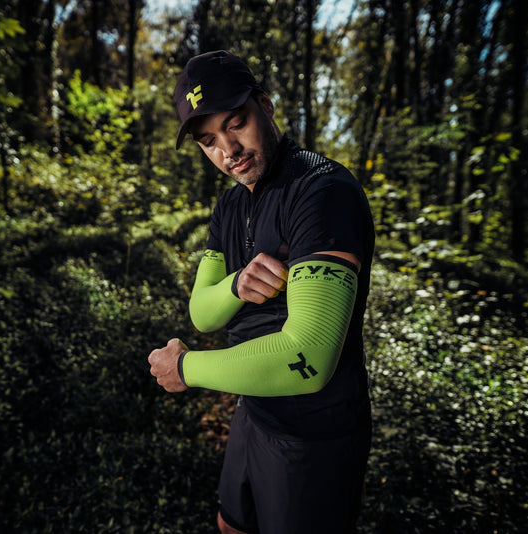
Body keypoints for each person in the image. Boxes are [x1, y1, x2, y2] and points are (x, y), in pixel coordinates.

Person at [148, 50, 375, 534]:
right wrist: (235, 283)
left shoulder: (322, 192)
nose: (227, 150)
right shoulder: (229, 206)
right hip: (253, 409)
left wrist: (186, 368)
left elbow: (307, 358)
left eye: (236, 123)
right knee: (231, 525)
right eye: (209, 141)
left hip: (317, 433)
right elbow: (203, 314)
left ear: (266, 108)